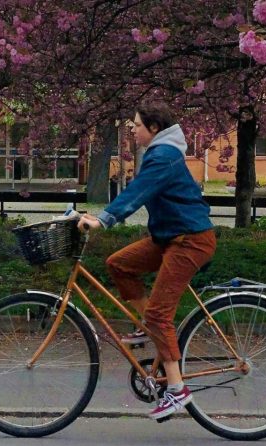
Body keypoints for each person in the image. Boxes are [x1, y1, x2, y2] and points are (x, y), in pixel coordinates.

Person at [78, 102, 216, 421]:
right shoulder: (161, 152)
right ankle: (147, 328)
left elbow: (138, 191)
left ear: (153, 128)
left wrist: (104, 219)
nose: (133, 130)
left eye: (137, 125)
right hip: (170, 237)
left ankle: (178, 390)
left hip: (189, 240)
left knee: (158, 314)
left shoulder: (163, 155)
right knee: (119, 264)